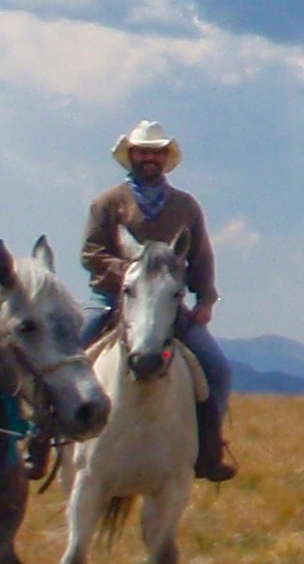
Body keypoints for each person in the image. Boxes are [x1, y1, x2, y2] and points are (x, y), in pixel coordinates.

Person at [81, 120, 235, 483]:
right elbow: (90, 252)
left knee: (217, 371)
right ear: (130, 156)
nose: (148, 157)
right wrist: (131, 273)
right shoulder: (107, 203)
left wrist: (206, 299)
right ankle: (43, 439)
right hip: (110, 298)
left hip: (168, 306)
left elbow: (200, 255)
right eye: (142, 151)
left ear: (165, 158)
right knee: (71, 352)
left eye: (155, 152)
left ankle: (208, 450)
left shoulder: (186, 206)